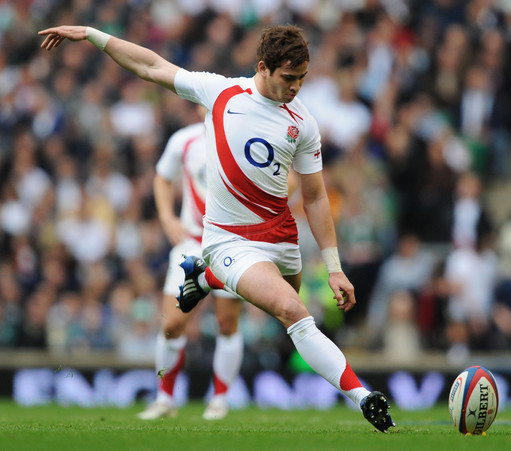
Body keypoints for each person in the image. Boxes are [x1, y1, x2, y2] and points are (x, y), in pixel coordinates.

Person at [39, 24, 395, 432]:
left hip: (281, 239)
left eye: (302, 77)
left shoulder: (303, 122)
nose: (296, 86)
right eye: (288, 78)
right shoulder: (222, 93)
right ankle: (363, 397)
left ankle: (206, 278)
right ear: (262, 68)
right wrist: (91, 34)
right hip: (228, 240)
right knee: (294, 311)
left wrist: (334, 267)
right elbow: (150, 66)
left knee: (285, 307)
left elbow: (314, 197)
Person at [138, 107, 243, 420]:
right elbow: (162, 177)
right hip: (192, 244)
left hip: (230, 245)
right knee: (172, 324)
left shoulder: (243, 138)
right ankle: (164, 398)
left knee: (227, 323)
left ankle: (220, 399)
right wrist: (166, 217)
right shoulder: (184, 141)